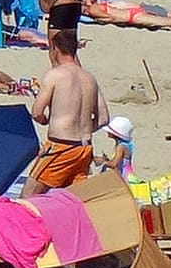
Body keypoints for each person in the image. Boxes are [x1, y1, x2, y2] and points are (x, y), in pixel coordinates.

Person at [24, 27, 108, 197]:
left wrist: (46, 120)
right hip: (84, 148)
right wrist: (80, 128)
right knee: (74, 201)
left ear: (55, 49)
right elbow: (104, 118)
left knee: (28, 196)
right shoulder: (89, 78)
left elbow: (36, 112)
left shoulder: (55, 75)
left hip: (60, 147)